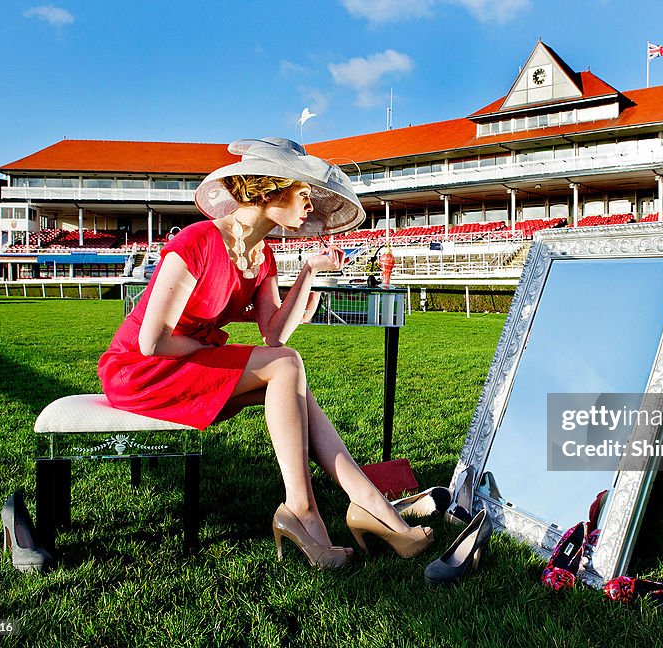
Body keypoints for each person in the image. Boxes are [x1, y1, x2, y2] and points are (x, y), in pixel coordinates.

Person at [98, 138, 432, 568]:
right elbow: (152, 341)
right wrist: (218, 348)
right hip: (143, 370)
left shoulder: (263, 254)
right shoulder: (197, 241)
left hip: (190, 363)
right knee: (287, 368)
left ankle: (363, 500)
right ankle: (310, 509)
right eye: (304, 193)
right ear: (269, 188)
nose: (310, 206)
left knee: (292, 385)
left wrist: (309, 272)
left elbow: (276, 334)